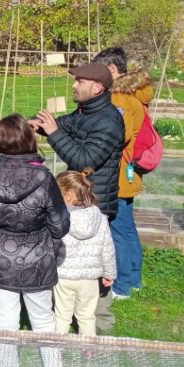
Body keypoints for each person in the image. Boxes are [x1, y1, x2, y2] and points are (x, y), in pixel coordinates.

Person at [0, 114, 69, 367]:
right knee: (44, 320)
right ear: (29, 140)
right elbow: (60, 226)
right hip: (37, 260)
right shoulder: (44, 178)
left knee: (6, 320)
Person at [29, 61, 124, 334]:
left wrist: (55, 132)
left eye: (79, 81)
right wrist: (38, 125)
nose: (74, 85)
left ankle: (99, 322)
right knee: (72, 259)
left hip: (95, 204)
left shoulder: (108, 122)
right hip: (76, 200)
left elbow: (85, 161)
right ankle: (67, 310)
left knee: (94, 261)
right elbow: (64, 126)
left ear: (96, 87)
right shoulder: (86, 112)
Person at [98, 49, 152, 299]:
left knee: (119, 230)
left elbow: (121, 135)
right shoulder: (133, 95)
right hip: (127, 172)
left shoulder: (118, 98)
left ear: (111, 70)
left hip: (118, 173)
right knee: (126, 228)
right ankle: (134, 278)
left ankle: (122, 285)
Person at [53, 169, 116, 337]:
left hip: (64, 276)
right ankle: (88, 351)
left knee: (61, 315)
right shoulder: (100, 218)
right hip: (89, 278)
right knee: (87, 316)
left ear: (66, 195)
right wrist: (109, 273)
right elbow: (108, 248)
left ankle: (57, 349)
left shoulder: (59, 218)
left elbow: (53, 245)